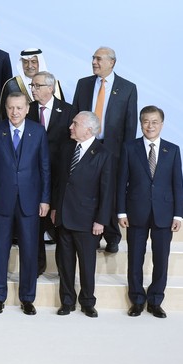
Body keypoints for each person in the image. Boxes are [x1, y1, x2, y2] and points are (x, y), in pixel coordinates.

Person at [0, 92, 50, 315]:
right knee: (0, 249)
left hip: (30, 201)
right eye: (11, 108)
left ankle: (27, 298)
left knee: (29, 251)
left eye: (19, 108)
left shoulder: (38, 131)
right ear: (6, 108)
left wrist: (45, 199)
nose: (15, 112)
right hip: (0, 201)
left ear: (27, 109)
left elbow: (45, 168)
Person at [117, 106, 183, 318]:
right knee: (135, 258)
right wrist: (121, 212)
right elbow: (121, 183)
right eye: (146, 121)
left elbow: (177, 184)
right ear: (140, 123)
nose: (150, 126)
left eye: (154, 122)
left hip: (164, 213)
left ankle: (155, 300)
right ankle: (137, 300)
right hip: (136, 211)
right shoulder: (130, 147)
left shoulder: (172, 150)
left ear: (162, 124)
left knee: (161, 259)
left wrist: (178, 215)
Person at [71, 46, 138, 253]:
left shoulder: (127, 88)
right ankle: (86, 229)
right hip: (86, 145)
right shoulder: (83, 84)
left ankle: (112, 235)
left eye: (99, 59)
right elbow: (74, 114)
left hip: (113, 149)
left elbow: (129, 124)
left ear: (112, 62)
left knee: (110, 190)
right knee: (86, 189)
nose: (94, 62)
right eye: (93, 58)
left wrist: (127, 155)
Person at [51, 111, 113, 318]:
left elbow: (107, 191)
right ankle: (67, 301)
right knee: (65, 264)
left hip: (88, 221)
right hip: (64, 217)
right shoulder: (67, 148)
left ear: (88, 129)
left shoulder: (103, 154)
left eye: (75, 123)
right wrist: (54, 208)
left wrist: (101, 220)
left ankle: (87, 302)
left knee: (87, 265)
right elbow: (59, 182)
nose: (70, 126)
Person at [27, 71, 75, 275]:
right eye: (33, 86)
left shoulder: (68, 111)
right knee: (36, 224)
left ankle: (63, 269)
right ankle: (38, 266)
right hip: (32, 177)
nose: (34, 90)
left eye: (37, 86)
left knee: (59, 224)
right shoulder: (27, 111)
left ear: (50, 88)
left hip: (60, 177)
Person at [0, 48, 65, 119]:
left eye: (33, 62)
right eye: (25, 62)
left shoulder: (54, 83)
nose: (29, 66)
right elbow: (4, 114)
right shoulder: (12, 84)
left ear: (40, 63)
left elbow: (63, 111)